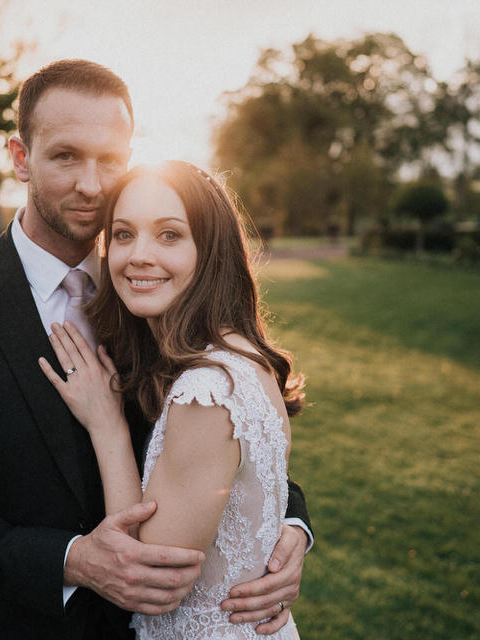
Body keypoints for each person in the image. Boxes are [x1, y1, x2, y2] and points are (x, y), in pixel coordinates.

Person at [0, 59, 312, 639]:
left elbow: (230, 438)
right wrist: (72, 560)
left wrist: (287, 526)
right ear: (20, 157)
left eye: (110, 160)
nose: (92, 184)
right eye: (65, 156)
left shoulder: (153, 295)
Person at [39, 160, 306, 639]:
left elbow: (153, 578)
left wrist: (108, 426)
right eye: (123, 234)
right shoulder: (246, 357)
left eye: (169, 235)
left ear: (211, 252)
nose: (139, 255)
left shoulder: (206, 390)